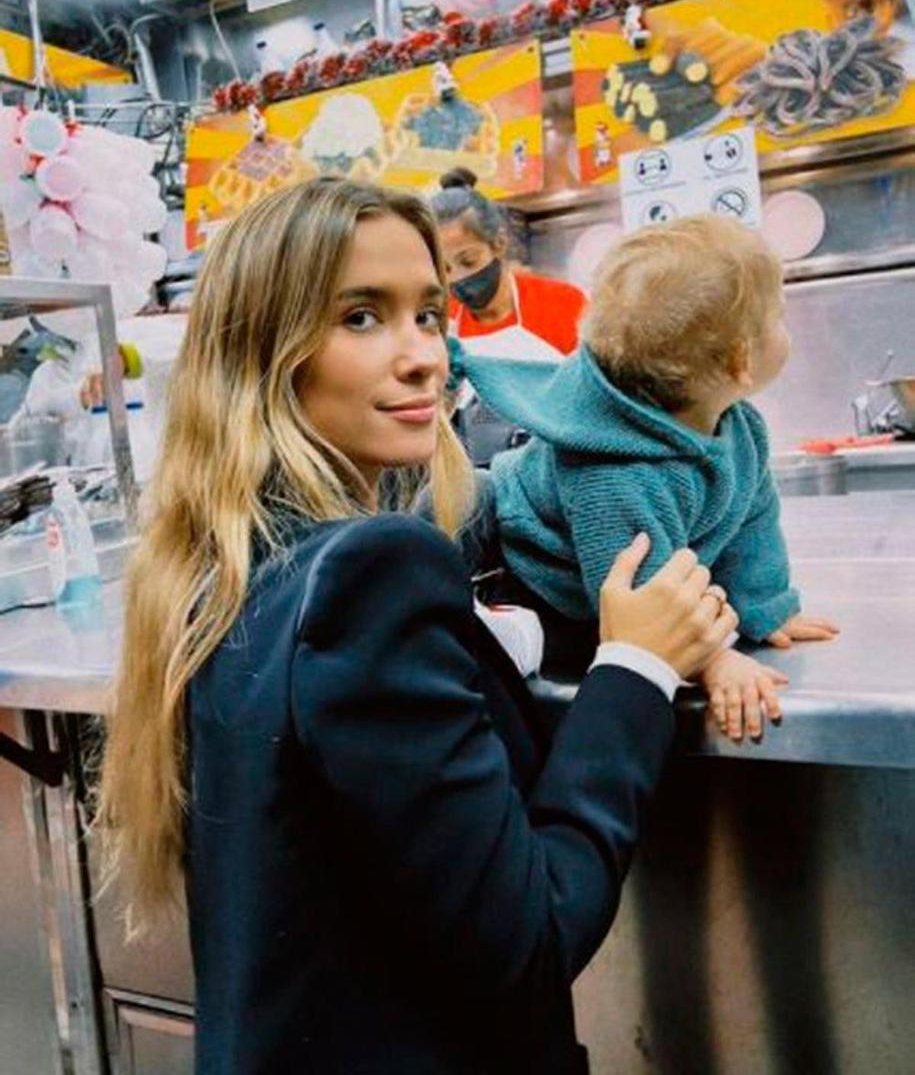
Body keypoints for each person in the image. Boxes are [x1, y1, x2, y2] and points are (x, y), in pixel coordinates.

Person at [98, 179, 737, 1075]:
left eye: (429, 315)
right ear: (265, 351)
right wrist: (636, 665)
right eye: (361, 317)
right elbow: (532, 941)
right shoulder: (374, 572)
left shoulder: (218, 562)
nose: (423, 358)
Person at [450, 214, 839, 743]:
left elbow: (753, 519)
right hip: (546, 589)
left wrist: (765, 607)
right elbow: (639, 592)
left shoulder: (739, 427)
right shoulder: (615, 474)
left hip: (626, 571)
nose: (785, 327)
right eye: (779, 317)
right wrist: (712, 659)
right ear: (740, 360)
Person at [431, 167, 587, 362]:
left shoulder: (563, 304)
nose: (457, 277)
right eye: (445, 269)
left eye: (468, 261)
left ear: (499, 243)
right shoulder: (444, 322)